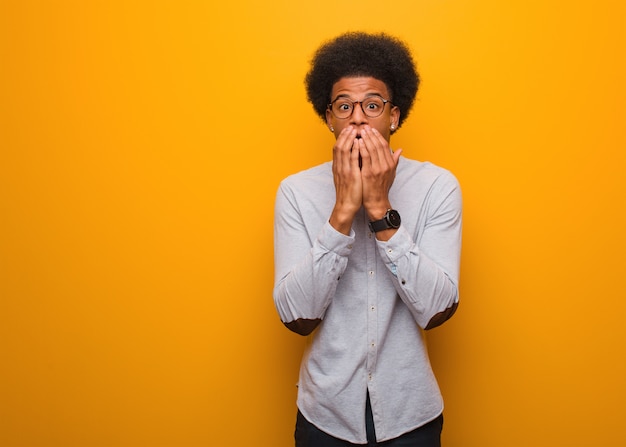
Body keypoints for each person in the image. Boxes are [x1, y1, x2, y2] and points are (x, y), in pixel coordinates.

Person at [273, 32, 462, 447]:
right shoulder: (296, 192)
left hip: (411, 414)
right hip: (325, 415)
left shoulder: (437, 187)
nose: (358, 118)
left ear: (393, 116)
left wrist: (380, 209)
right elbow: (295, 316)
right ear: (329, 118)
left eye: (372, 105)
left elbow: (436, 309)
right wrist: (342, 211)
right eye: (345, 106)